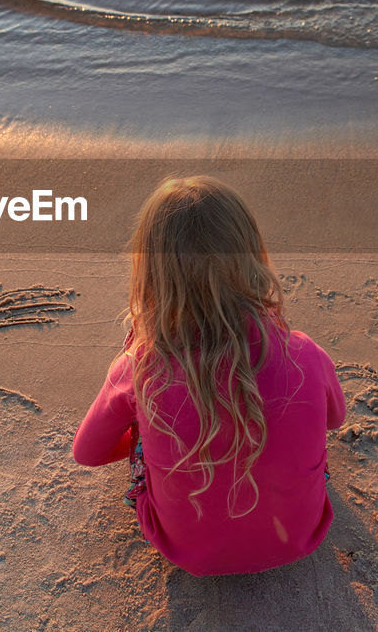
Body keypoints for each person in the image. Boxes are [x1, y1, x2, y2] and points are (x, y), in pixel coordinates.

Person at [73, 176, 346, 576]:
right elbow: (335, 419)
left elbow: (88, 453)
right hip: (302, 535)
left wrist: (148, 432)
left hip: (187, 550)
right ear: (252, 253)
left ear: (151, 272)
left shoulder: (143, 366)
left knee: (142, 416)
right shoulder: (303, 351)